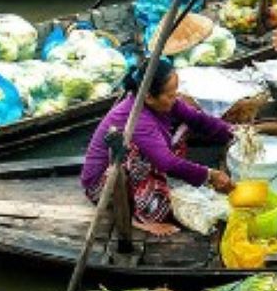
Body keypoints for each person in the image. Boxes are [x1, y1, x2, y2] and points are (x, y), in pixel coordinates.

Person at [80, 59, 235, 237]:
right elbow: (167, 163)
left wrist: (236, 133)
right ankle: (137, 219)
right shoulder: (136, 117)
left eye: (175, 92)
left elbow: (198, 120)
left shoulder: (163, 102)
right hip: (107, 184)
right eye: (170, 95)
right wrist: (209, 175)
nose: (175, 98)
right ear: (149, 97)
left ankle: (151, 186)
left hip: (133, 170)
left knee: (184, 128)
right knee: (157, 200)